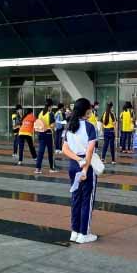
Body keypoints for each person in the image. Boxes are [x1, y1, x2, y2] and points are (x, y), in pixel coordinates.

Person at [62, 98, 99, 244]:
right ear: (86, 110)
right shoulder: (90, 127)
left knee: (76, 198)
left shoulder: (70, 127)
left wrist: (77, 160)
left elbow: (65, 149)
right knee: (87, 200)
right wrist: (84, 167)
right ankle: (84, 233)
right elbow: (90, 151)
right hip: (87, 165)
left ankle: (74, 231)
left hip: (73, 165)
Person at [34, 99, 57, 174]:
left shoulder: (40, 113)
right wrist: (54, 126)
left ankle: (38, 168)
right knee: (51, 152)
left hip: (41, 134)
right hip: (48, 134)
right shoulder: (50, 113)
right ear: (50, 106)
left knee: (40, 152)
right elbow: (52, 125)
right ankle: (52, 168)